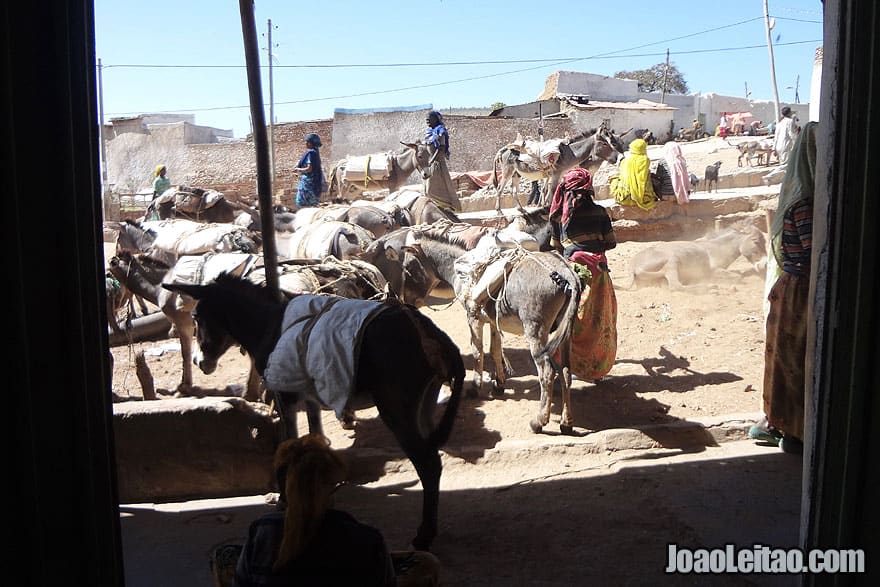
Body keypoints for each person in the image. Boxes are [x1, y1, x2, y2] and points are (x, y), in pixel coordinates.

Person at [232, 434, 440, 587]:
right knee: (425, 564)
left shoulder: (262, 532)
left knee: (225, 556)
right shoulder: (366, 540)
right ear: (332, 489)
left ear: (281, 488)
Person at [749, 122, 818, 456]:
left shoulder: (798, 195)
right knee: (796, 360)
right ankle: (791, 428)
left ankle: (782, 424)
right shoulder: (806, 203)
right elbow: (813, 251)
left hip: (790, 286)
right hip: (801, 292)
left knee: (788, 358)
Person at [549, 168, 618, 381]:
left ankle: (565, 364)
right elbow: (611, 243)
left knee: (568, 320)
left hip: (571, 274)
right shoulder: (600, 212)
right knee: (599, 321)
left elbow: (556, 246)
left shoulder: (559, 217)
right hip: (598, 274)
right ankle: (595, 370)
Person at [423, 110, 461, 212]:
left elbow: (441, 148)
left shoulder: (440, 131)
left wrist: (432, 160)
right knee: (428, 190)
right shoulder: (429, 133)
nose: (427, 120)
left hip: (438, 164)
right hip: (431, 163)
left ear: (436, 119)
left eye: (429, 118)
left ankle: (448, 206)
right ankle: (440, 209)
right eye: (426, 119)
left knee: (430, 190)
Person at [610, 138, 656, 211]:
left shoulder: (625, 161)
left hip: (624, 197)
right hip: (645, 198)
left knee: (613, 177)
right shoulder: (645, 161)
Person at [294, 133, 325, 208]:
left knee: (302, 204)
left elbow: (309, 169)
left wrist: (298, 169)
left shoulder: (311, 153)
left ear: (311, 143)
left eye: (307, 142)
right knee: (313, 206)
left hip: (308, 184)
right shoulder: (315, 153)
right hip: (315, 183)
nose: (306, 143)